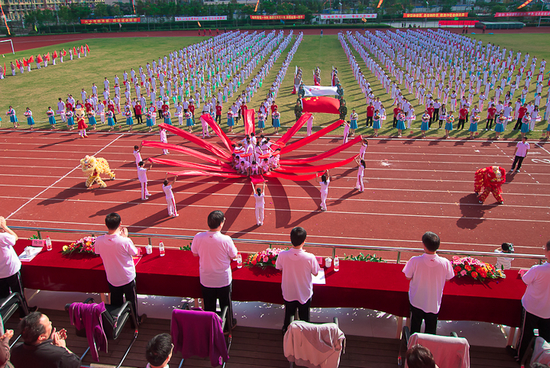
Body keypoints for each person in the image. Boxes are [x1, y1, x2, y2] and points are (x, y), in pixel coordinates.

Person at [94, 213, 145, 324]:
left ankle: (115, 323)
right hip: (127, 277)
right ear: (120, 224)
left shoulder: (99, 240)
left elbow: (97, 251)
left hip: (112, 277)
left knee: (115, 302)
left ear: (106, 224)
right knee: (131, 301)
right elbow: (134, 252)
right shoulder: (124, 241)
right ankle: (134, 322)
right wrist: (125, 237)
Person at [191, 211, 238, 329]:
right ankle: (227, 326)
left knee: (209, 305)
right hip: (223, 279)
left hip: (206, 278)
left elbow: (194, 253)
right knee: (225, 304)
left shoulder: (198, 237)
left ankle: (210, 327)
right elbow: (234, 256)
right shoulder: (226, 239)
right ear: (221, 224)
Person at [402, 231, 454, 335]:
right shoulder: (445, 262)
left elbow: (407, 276)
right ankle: (428, 349)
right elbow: (448, 278)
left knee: (415, 330)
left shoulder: (415, 261)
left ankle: (413, 348)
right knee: (431, 332)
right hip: (433, 303)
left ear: (424, 245)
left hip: (417, 300)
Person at [276, 227, 320, 333]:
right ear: (304, 240)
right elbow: (316, 272)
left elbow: (278, 267)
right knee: (304, 318)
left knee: (288, 314)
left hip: (288, 292)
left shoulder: (282, 255)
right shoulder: (310, 257)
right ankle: (304, 335)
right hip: (304, 293)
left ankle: (286, 332)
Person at [516, 240, 550, 362]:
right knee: (545, 336)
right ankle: (542, 360)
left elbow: (525, 280)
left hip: (531, 308)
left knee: (526, 334)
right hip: (548, 311)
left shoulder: (537, 269)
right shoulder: (538, 269)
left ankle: (520, 358)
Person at [10, 312, 81, 368]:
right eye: (49, 323)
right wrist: (62, 347)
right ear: (41, 336)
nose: (51, 323)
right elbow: (76, 364)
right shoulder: (60, 355)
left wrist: (49, 343)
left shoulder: (16, 350)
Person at [0, 216, 34, 318]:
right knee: (18, 293)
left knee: (3, 296)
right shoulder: (2, 237)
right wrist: (4, 227)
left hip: (1, 274)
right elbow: (15, 237)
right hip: (10, 270)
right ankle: (24, 315)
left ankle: (6, 316)